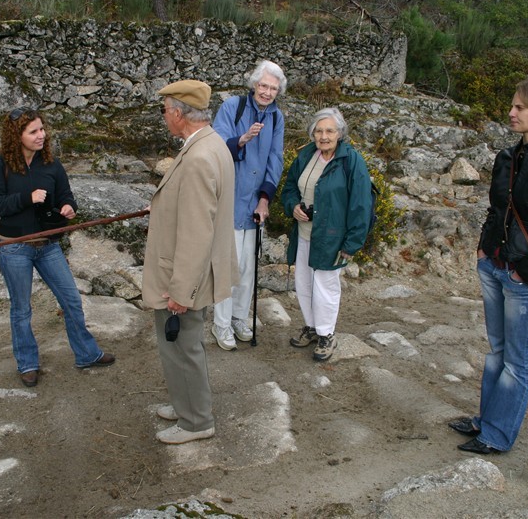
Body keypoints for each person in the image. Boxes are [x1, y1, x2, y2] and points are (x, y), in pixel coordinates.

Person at [449, 80, 528, 454]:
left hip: (524, 276)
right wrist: (483, 250)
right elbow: (497, 209)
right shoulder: (507, 157)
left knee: (517, 360)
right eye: (512, 105)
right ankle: (485, 420)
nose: (512, 112)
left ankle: (497, 435)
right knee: (497, 351)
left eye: (521, 107)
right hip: (493, 264)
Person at [0, 108, 115, 388]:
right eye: (33, 131)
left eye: (42, 129)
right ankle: (27, 364)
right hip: (13, 247)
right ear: (16, 136)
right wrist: (26, 198)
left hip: (48, 245)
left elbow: (66, 195)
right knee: (21, 309)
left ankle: (87, 354)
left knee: (71, 300)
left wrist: (69, 207)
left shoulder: (51, 164)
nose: (41, 135)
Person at [142, 80, 237, 444]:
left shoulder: (198, 157)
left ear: (179, 114)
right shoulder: (210, 144)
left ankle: (196, 421)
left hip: (184, 275)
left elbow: (197, 231)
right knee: (181, 346)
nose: (164, 116)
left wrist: (181, 290)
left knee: (182, 345)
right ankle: (185, 403)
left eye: (165, 109)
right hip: (194, 269)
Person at [281, 108, 373, 362]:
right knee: (304, 283)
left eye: (329, 131)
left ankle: (326, 334)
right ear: (312, 134)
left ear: (340, 133)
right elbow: (289, 189)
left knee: (325, 286)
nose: (324, 136)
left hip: (332, 237)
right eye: (319, 131)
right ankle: (311, 327)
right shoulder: (306, 156)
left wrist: (351, 243)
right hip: (304, 232)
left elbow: (361, 204)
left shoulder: (351, 161)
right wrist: (294, 207)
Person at [210, 60, 287, 350]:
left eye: (273, 88)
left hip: (255, 206)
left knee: (247, 267)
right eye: (264, 85)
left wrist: (265, 199)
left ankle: (240, 318)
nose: (267, 92)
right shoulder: (233, 107)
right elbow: (216, 146)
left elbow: (275, 160)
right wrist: (241, 139)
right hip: (229, 201)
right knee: (228, 266)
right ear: (254, 84)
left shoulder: (277, 118)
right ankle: (221, 323)